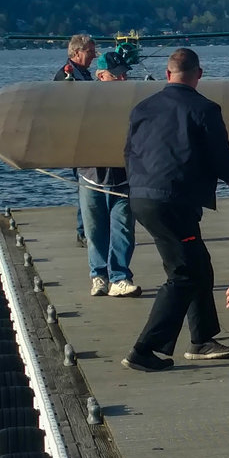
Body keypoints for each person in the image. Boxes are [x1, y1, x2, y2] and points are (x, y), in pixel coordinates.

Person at [122, 47, 229, 372]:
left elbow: (129, 152)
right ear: (198, 75)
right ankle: (143, 349)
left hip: (142, 197)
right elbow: (220, 154)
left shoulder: (142, 108)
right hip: (174, 202)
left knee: (198, 264)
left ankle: (203, 339)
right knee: (184, 273)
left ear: (167, 74)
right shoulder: (204, 109)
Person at [83, 51, 140, 297]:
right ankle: (98, 276)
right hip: (91, 175)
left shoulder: (134, 100)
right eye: (116, 75)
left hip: (124, 176)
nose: (122, 79)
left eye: (124, 74)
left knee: (123, 229)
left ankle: (120, 276)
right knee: (95, 231)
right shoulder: (86, 101)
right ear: (100, 75)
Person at [55, 32, 96, 244]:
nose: (94, 56)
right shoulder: (67, 75)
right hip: (78, 140)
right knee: (85, 184)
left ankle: (87, 229)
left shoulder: (84, 73)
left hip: (87, 137)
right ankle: (83, 231)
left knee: (87, 185)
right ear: (77, 52)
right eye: (90, 52)